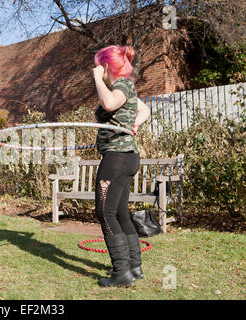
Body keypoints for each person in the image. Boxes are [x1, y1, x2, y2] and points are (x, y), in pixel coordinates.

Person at [92, 45, 151, 287]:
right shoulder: (127, 87)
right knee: (118, 213)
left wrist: (97, 80)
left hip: (117, 158)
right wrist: (134, 125)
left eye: (98, 66)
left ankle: (122, 273)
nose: (96, 70)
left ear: (105, 66)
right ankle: (133, 267)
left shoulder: (121, 86)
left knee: (104, 213)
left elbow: (108, 104)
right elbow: (145, 109)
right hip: (125, 157)